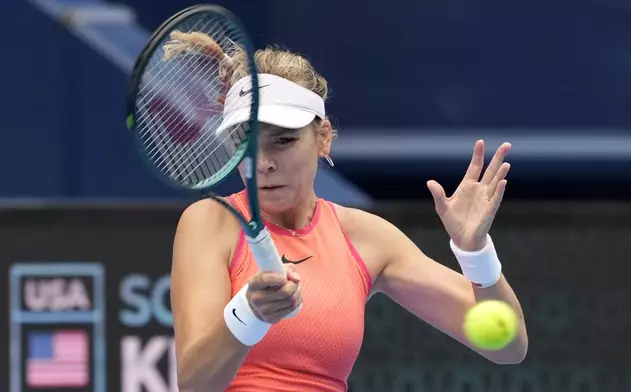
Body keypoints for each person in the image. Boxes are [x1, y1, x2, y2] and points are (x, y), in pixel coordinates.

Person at [169, 34, 528, 392]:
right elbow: (194, 383)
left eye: (282, 140)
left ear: (323, 137)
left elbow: (507, 347)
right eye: (245, 144)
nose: (262, 164)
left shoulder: (365, 237)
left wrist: (475, 252)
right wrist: (249, 312)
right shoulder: (210, 222)